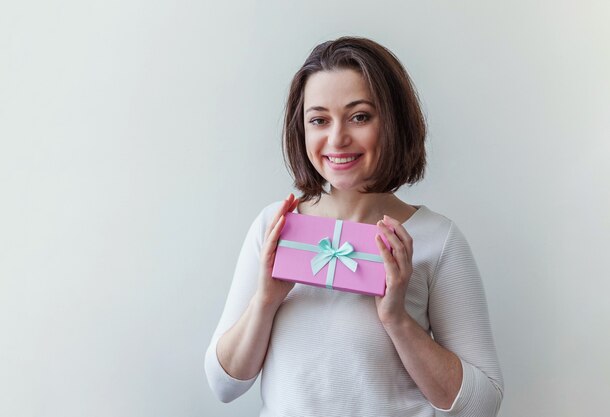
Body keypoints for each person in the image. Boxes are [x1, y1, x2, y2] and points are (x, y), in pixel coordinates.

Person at [204, 36, 504, 417]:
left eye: (359, 116)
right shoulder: (275, 227)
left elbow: (483, 405)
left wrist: (397, 319)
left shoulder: (437, 240)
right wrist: (265, 300)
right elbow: (224, 385)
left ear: (392, 121)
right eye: (319, 120)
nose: (337, 138)